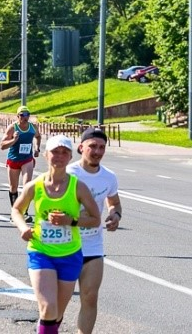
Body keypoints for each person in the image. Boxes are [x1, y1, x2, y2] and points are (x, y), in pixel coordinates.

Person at [11, 135, 101, 334]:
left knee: (57, 314)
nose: (59, 156)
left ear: (70, 157)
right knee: (48, 308)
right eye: (54, 152)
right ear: (45, 155)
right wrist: (22, 228)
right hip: (40, 252)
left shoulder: (78, 187)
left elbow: (96, 218)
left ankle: (45, 329)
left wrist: (71, 221)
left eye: (64, 153)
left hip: (70, 255)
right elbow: (16, 210)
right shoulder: (36, 185)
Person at [66, 128, 122, 334]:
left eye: (101, 147)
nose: (97, 151)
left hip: (93, 245)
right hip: (65, 245)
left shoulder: (108, 177)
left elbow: (114, 202)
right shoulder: (69, 174)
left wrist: (115, 215)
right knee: (58, 303)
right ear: (81, 147)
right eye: (92, 147)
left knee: (90, 297)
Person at [0, 105, 42, 222]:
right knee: (13, 187)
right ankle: (15, 212)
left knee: (27, 185)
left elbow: (38, 137)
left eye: (27, 115)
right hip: (13, 160)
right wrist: (13, 140)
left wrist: (37, 148)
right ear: (18, 116)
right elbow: (2, 145)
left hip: (27, 159)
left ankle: (24, 212)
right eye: (23, 115)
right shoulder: (12, 128)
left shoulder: (32, 127)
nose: (25, 117)